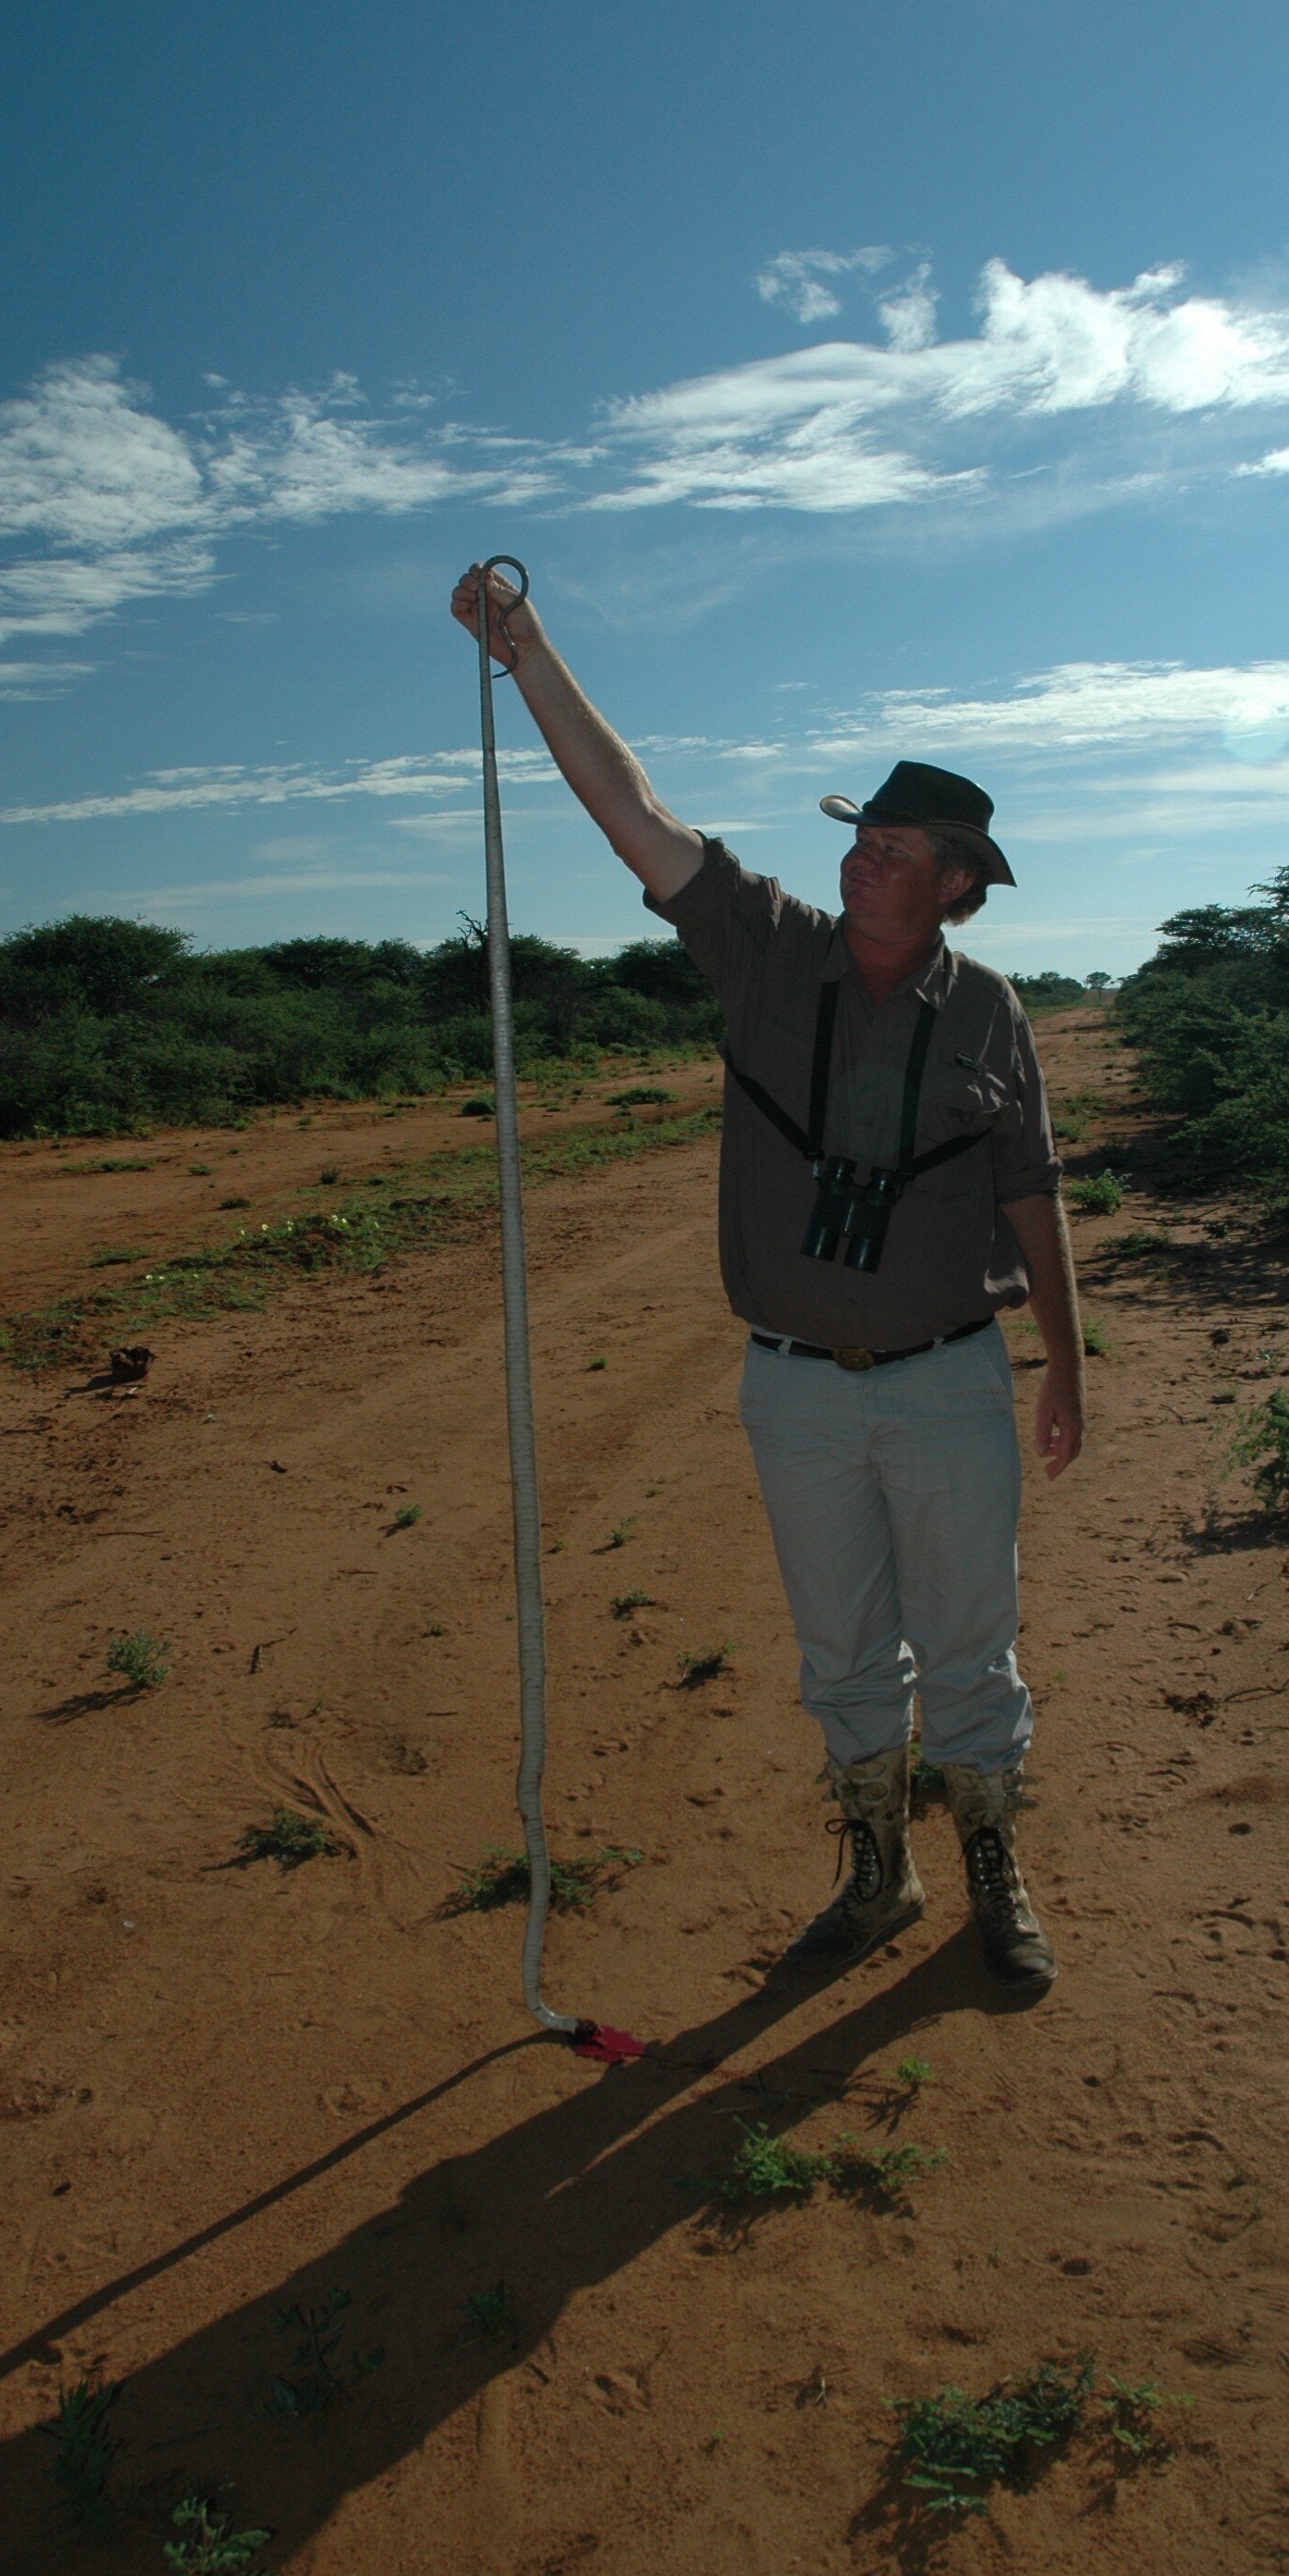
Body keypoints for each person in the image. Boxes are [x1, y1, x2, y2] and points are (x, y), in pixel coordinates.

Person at [452, 568, 1085, 1989]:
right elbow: (637, 813)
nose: (870, 856)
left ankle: (993, 1860)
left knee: (971, 1645)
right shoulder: (765, 950)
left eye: (905, 847)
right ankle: (876, 1870)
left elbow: (1031, 1190)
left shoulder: (988, 1010)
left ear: (959, 888)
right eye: (867, 833)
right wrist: (530, 649)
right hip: (794, 1387)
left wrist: (1066, 1370)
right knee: (843, 1647)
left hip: (949, 1376)